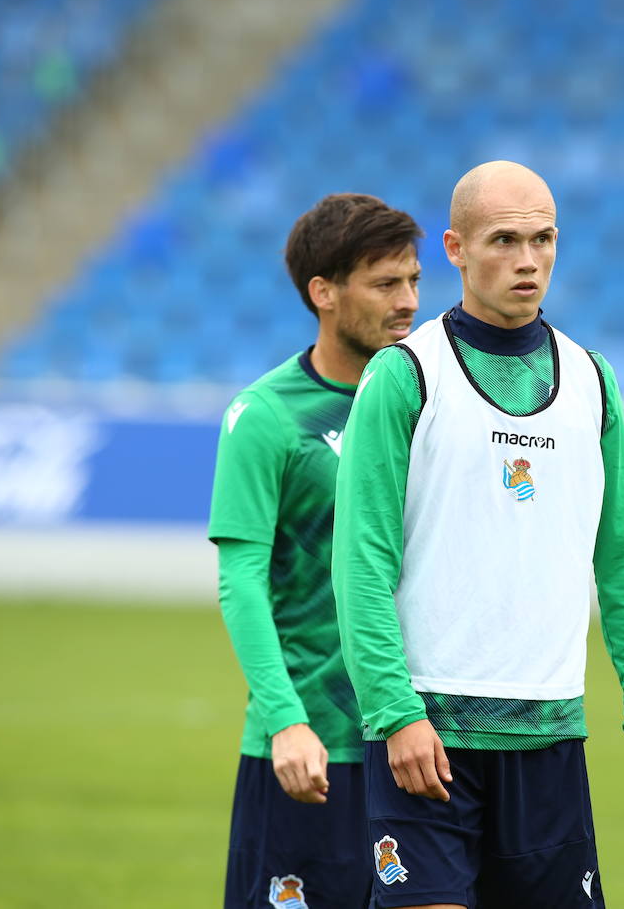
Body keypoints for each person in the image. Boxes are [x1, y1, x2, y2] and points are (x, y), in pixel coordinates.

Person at [332, 160, 624, 909]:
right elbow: (361, 562)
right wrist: (394, 714)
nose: (528, 260)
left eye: (544, 238)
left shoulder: (592, 379)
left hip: (550, 736)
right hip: (428, 735)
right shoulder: (404, 375)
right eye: (504, 240)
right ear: (455, 248)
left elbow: (622, 559)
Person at [208, 192, 422, 908]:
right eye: (386, 284)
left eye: (414, 281)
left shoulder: (435, 400)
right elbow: (241, 580)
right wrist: (286, 720)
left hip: (425, 741)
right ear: (323, 293)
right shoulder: (267, 416)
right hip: (317, 747)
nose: (408, 302)